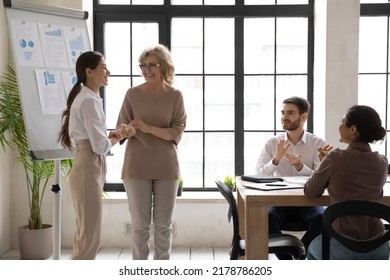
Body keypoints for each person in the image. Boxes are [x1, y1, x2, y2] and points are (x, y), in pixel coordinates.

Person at [58, 51, 135, 260]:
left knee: (86, 235)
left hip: (88, 164)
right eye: (103, 67)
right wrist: (119, 135)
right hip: (88, 166)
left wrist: (114, 134)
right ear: (89, 72)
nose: (108, 72)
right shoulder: (89, 101)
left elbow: (95, 140)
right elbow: (100, 146)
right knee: (89, 238)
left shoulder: (87, 97)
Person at [116, 44, 186, 260]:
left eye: (152, 65)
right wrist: (125, 131)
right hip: (136, 167)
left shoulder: (175, 96)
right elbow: (120, 128)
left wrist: (146, 128)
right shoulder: (132, 94)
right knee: (139, 226)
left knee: (164, 226)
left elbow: (175, 133)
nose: (146, 70)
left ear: (164, 67)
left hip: (166, 167)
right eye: (143, 66)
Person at [304, 105, 389, 260]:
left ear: (352, 129)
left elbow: (311, 192)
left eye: (342, 121)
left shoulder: (334, 157)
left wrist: (325, 166)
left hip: (341, 245)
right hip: (378, 246)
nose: (340, 124)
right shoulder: (382, 162)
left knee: (311, 248)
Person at [255, 96, 331, 260]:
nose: (284, 117)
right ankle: (288, 261)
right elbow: (258, 175)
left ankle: (299, 256)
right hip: (279, 202)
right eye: (283, 112)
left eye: (290, 113)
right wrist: (275, 160)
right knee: (265, 217)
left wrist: (300, 167)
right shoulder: (272, 143)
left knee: (323, 219)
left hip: (309, 202)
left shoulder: (317, 143)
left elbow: (322, 179)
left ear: (304, 117)